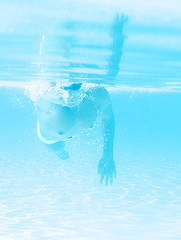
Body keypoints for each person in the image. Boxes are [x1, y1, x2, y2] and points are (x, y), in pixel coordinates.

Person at [33, 14, 128, 185]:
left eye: (74, 88)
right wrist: (49, 94)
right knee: (57, 148)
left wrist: (107, 156)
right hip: (51, 138)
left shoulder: (98, 95)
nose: (68, 96)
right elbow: (42, 98)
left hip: (62, 126)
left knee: (110, 75)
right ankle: (59, 152)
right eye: (64, 89)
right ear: (58, 87)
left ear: (82, 86)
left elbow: (108, 119)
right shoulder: (49, 104)